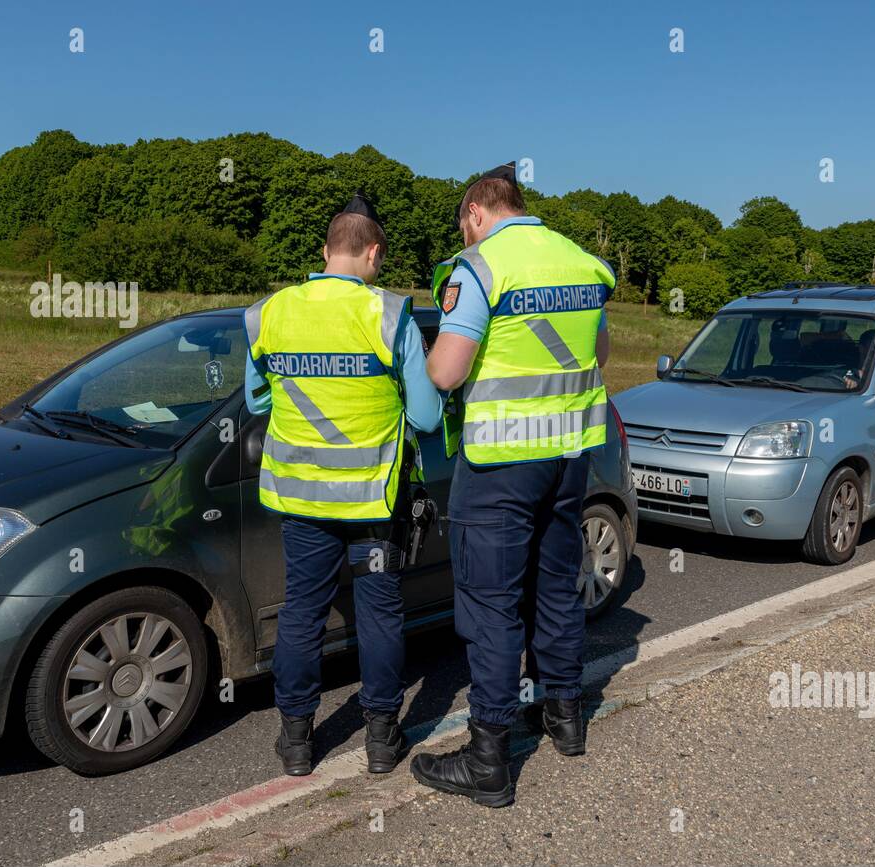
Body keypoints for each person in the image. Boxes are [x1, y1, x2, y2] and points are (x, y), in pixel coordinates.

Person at [410, 163, 615, 807]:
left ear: (475, 212)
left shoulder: (479, 268)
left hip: (500, 463)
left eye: (462, 225)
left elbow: (446, 372)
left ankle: (488, 759)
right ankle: (564, 718)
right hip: (568, 456)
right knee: (555, 587)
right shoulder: (581, 262)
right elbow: (600, 355)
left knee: (491, 606)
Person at [243, 191, 441, 776]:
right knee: (380, 610)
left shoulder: (269, 313)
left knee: (303, 610)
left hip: (302, 500)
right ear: (373, 252)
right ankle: (382, 738)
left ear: (325, 250)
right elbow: (427, 416)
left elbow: (259, 398)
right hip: (371, 503)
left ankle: (298, 742)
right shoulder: (390, 314)